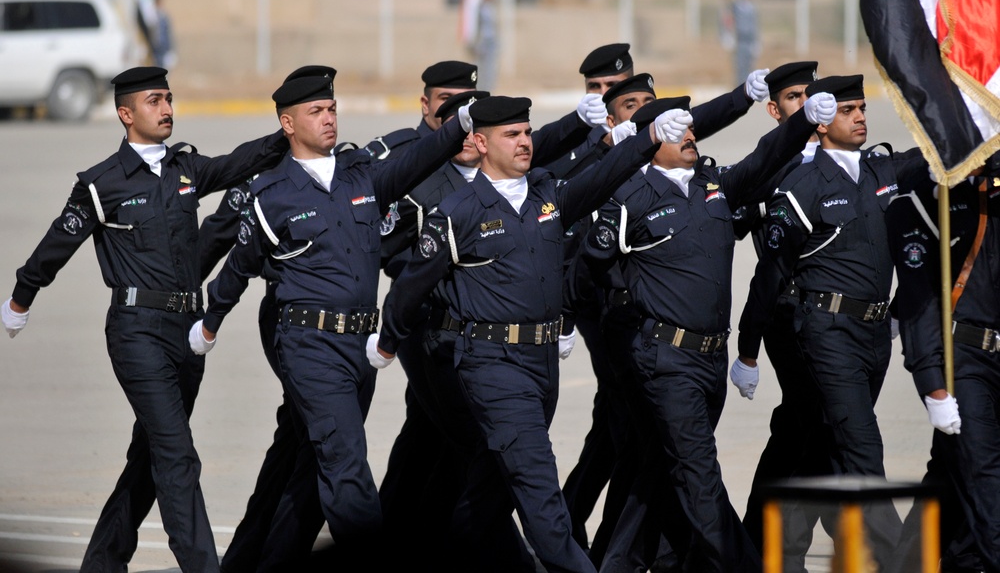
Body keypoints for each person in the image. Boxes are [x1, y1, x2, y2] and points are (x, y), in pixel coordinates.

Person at [1, 66, 289, 572]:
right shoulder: (102, 183)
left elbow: (237, 162)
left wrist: (284, 136)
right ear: (125, 114)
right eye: (155, 101)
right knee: (178, 455)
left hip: (187, 333)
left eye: (169, 99)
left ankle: (102, 563)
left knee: (149, 458)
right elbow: (56, 244)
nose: (167, 109)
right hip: (136, 333)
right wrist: (22, 297)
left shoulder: (186, 168)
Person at [373, 94, 676, 573]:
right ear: (479, 141)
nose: (524, 143)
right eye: (511, 135)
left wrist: (650, 138)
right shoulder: (457, 211)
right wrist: (389, 338)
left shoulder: (548, 196)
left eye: (527, 133)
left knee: (488, 496)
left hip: (542, 365)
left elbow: (602, 177)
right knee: (540, 493)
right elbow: (412, 283)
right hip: (492, 367)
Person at [192, 66, 471, 569]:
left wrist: (460, 125)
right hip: (308, 345)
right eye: (316, 112)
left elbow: (418, 160)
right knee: (346, 467)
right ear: (288, 123)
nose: (328, 119)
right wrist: (210, 323)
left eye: (332, 109)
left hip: (358, 348)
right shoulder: (271, 194)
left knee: (312, 466)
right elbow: (238, 266)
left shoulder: (360, 175)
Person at [580, 91, 835, 571]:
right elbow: (589, 268)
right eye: (679, 131)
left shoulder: (715, 186)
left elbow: (765, 157)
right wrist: (627, 312)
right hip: (666, 360)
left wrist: (801, 123)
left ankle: (620, 563)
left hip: (710, 360)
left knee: (662, 466)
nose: (692, 135)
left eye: (692, 128)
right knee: (699, 474)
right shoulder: (629, 199)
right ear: (649, 142)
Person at [738, 74, 926, 568]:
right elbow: (770, 274)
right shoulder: (802, 185)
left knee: (826, 445)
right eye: (848, 110)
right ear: (821, 124)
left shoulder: (880, 170)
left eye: (863, 107)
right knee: (862, 449)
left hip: (873, 336)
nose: (862, 116)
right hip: (826, 334)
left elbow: (934, 158)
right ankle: (901, 561)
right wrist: (747, 349)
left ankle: (772, 552)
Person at [730, 61, 841, 565]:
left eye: (812, 95)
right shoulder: (770, 164)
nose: (808, 105)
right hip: (788, 314)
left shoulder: (837, 155)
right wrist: (747, 345)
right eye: (795, 98)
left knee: (805, 430)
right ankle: (781, 543)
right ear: (775, 110)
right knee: (819, 424)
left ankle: (764, 538)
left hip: (839, 323)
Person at [887, 163, 1000, 571]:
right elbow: (920, 302)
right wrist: (933, 383)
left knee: (952, 474)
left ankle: (918, 563)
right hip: (964, 359)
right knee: (986, 476)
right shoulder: (922, 202)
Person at [732, 0, 759, 84]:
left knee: (749, 64)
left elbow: (754, 25)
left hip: (749, 40)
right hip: (740, 40)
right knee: (740, 65)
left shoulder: (751, 8)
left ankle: (748, 85)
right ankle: (740, 85)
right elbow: (729, 20)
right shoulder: (736, 6)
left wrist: (756, 42)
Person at [475, 0, 499, 91]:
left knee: (490, 67)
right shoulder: (480, 8)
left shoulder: (490, 8)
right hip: (483, 40)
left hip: (491, 40)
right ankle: (481, 87)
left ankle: (489, 88)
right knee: (480, 66)